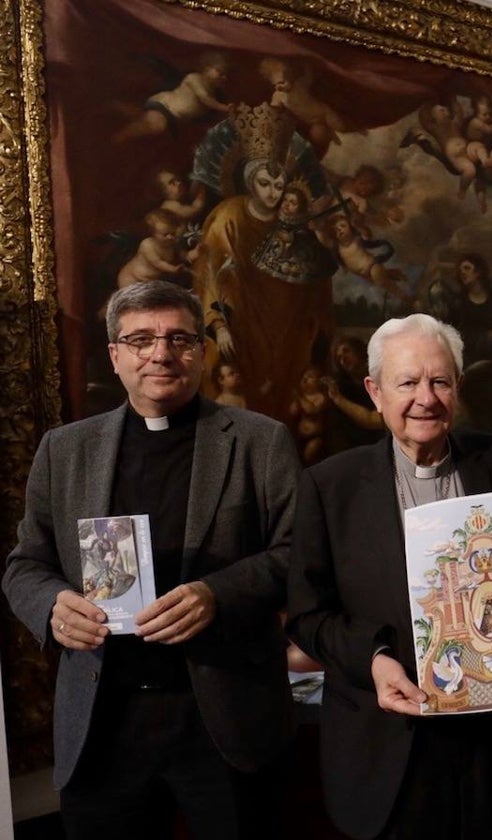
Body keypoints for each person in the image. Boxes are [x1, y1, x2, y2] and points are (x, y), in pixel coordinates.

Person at [2, 280, 299, 838]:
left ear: (201, 352)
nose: (161, 353)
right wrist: (51, 606)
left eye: (179, 338)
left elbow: (298, 555)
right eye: (141, 339)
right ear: (115, 355)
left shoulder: (260, 441)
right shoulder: (64, 450)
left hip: (222, 713)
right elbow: (25, 564)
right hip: (103, 719)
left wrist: (218, 594)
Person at [286, 313, 492, 840]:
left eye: (440, 381)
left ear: (458, 388)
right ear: (374, 392)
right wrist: (373, 661)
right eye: (408, 382)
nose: (426, 398)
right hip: (387, 743)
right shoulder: (331, 487)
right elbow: (308, 615)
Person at [195, 156, 333, 419]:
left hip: (286, 325)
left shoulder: (294, 222)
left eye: (279, 186)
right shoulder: (229, 217)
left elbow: (315, 281)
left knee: (284, 386)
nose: (272, 193)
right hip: (241, 321)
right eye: (264, 183)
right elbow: (212, 275)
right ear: (250, 183)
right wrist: (219, 325)